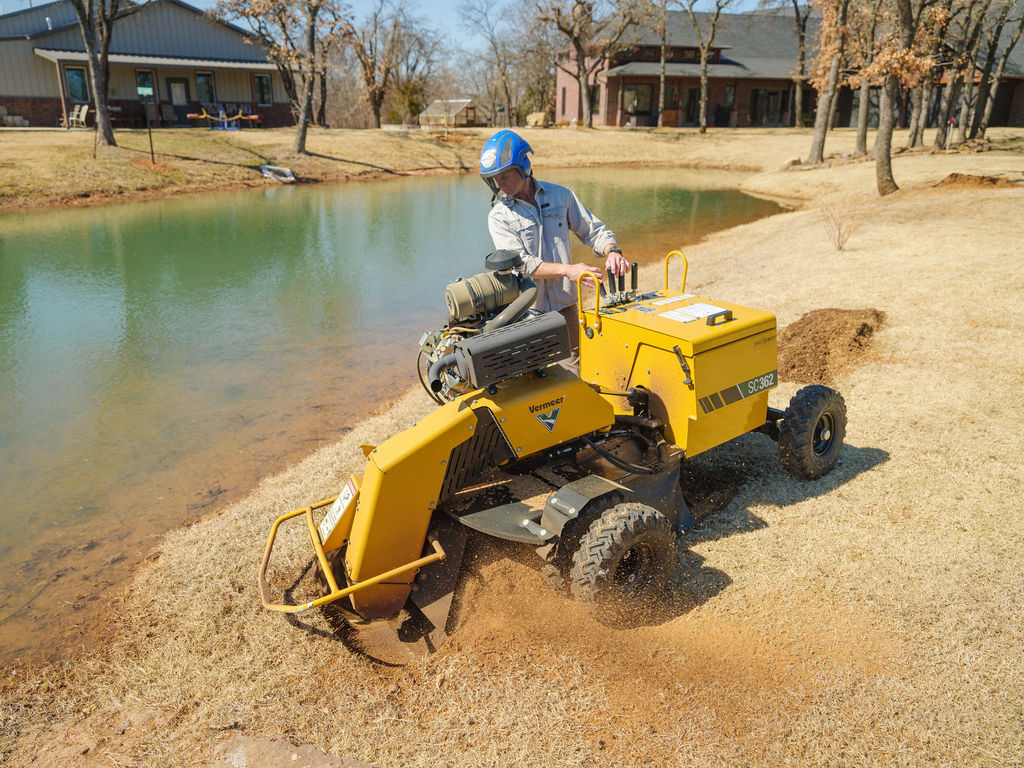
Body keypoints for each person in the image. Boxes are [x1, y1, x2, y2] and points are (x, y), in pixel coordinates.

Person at [479, 129, 628, 373]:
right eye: (496, 178)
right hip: (526, 312)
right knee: (532, 379)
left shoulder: (562, 196)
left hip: (565, 307)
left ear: (524, 168)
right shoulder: (499, 216)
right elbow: (521, 264)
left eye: (505, 175)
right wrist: (569, 270)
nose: (500, 183)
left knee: (572, 373)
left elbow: (592, 230)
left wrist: (613, 251)